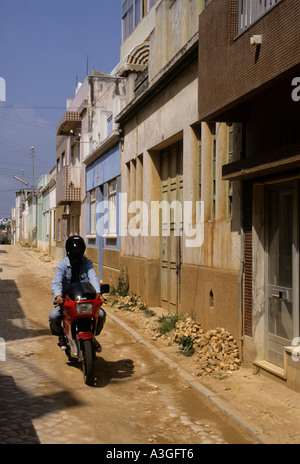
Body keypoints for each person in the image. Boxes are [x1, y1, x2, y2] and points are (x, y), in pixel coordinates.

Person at [49, 235, 106, 352]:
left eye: (79, 249)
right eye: (74, 249)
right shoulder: (62, 265)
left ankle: (92, 336)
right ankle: (61, 336)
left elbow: (93, 278)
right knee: (54, 316)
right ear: (69, 250)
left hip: (85, 300)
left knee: (101, 315)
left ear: (82, 250)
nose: (77, 252)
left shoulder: (87, 263)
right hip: (68, 301)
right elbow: (57, 282)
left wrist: (98, 293)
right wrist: (58, 296)